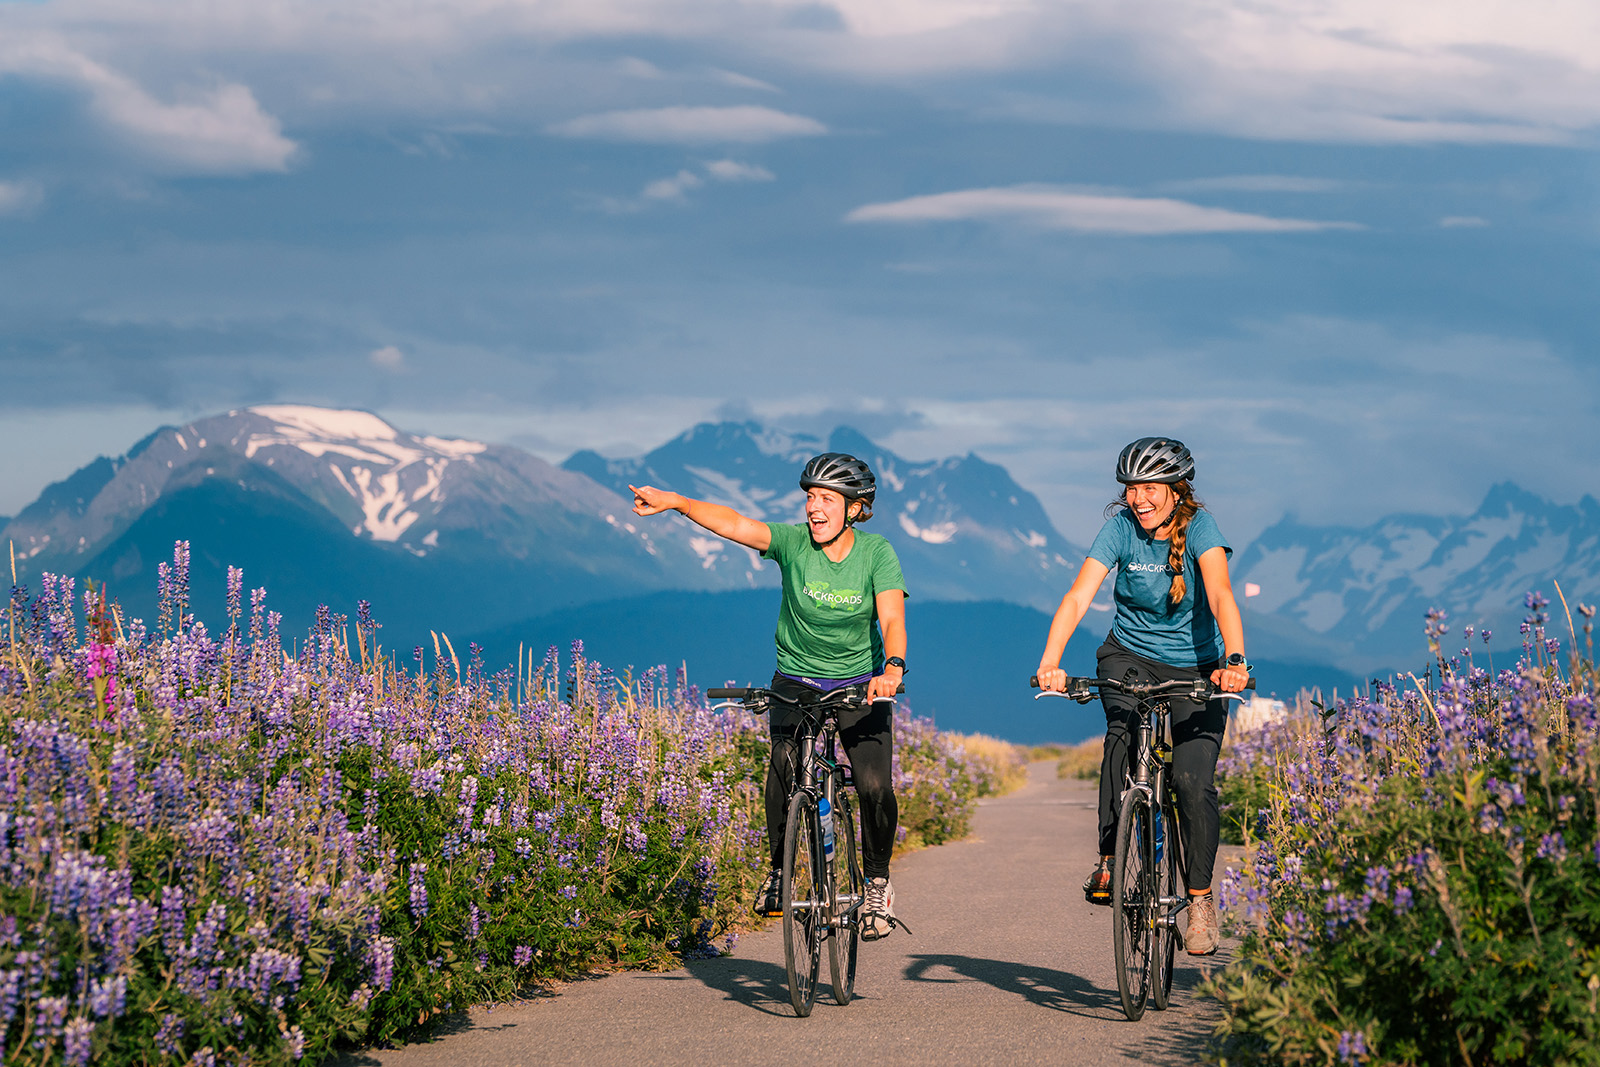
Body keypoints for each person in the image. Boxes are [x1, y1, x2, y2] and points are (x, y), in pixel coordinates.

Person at [631, 452, 910, 940]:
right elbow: (736, 524)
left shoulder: (876, 553)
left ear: (855, 508)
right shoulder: (792, 542)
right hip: (795, 679)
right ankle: (780, 871)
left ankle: (877, 885)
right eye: (809, 497)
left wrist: (891, 668)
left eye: (826, 499)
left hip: (860, 682)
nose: (813, 508)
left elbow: (891, 619)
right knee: (783, 767)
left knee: (873, 787)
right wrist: (676, 502)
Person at [1034, 437, 1249, 955]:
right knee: (1121, 738)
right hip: (1127, 655)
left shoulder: (1201, 529)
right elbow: (1079, 595)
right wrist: (1050, 662)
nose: (1139, 499)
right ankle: (1110, 859)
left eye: (1150, 487)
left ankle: (1199, 900)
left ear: (1177, 490)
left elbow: (1220, 593)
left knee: (1192, 780)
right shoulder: (1119, 529)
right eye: (1132, 489)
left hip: (1198, 664)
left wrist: (1235, 661)